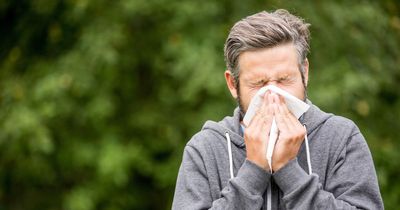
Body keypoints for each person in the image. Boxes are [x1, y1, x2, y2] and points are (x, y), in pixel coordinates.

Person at [172, 9, 383, 210]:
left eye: (284, 80)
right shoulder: (204, 149)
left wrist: (289, 171)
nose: (273, 94)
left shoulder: (341, 138)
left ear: (305, 72)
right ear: (232, 84)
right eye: (258, 83)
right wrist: (253, 170)